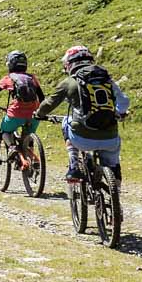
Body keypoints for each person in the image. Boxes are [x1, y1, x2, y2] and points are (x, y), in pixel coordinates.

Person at [38, 45, 129, 183]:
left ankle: (74, 166)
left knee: (66, 121)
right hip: (110, 137)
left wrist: (38, 113)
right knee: (113, 163)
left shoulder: (69, 82)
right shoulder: (106, 79)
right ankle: (115, 191)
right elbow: (124, 101)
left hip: (82, 139)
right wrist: (118, 113)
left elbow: (49, 103)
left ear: (69, 63)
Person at [0, 50, 45, 152]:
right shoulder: (32, 78)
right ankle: (32, 158)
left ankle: (12, 148)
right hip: (34, 115)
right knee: (28, 134)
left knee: (4, 130)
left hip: (15, 113)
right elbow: (42, 98)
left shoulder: (8, 78)